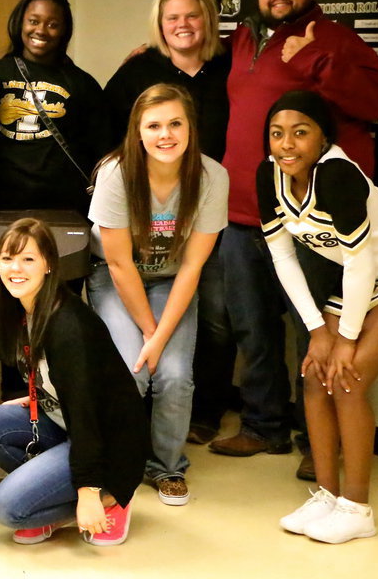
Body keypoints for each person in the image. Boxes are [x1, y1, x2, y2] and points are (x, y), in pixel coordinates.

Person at [210, 0, 378, 477]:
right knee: (253, 329)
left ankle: (321, 441)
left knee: (315, 328)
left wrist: (317, 61)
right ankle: (262, 426)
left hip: (313, 221)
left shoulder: (333, 38)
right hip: (246, 210)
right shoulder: (245, 39)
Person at [259, 91, 378, 543]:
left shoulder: (338, 174)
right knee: (314, 373)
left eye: (300, 133)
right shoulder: (269, 176)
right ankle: (326, 495)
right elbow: (283, 258)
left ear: (324, 137)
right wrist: (314, 332)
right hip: (362, 276)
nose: (287, 145)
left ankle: (357, 507)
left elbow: (361, 261)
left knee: (349, 377)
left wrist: (343, 338)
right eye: (277, 134)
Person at [103, 0, 234, 449]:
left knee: (216, 317)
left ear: (208, 21)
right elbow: (107, 127)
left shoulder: (229, 65)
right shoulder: (140, 70)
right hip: (144, 215)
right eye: (171, 17)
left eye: (192, 16)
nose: (182, 25)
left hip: (208, 207)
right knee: (140, 349)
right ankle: (135, 437)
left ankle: (200, 417)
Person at [86, 83, 228, 506]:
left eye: (175, 124)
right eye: (154, 125)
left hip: (172, 281)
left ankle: (167, 466)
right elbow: (118, 264)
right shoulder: (115, 173)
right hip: (116, 280)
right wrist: (152, 332)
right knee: (134, 371)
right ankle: (117, 464)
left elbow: (192, 266)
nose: (165, 135)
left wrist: (162, 338)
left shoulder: (211, 177)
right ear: (138, 131)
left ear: (190, 128)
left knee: (175, 376)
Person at [0, 218, 147, 546]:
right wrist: (40, 394)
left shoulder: (69, 327)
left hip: (106, 442)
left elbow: (86, 414)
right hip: (64, 424)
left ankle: (110, 497)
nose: (15, 268)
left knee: (6, 509)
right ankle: (49, 497)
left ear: (49, 265)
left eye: (28, 259)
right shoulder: (20, 311)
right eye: (7, 259)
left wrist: (88, 491)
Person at [0, 0, 111, 213]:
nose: (41, 30)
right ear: (20, 23)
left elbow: (103, 150)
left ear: (64, 31)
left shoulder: (82, 84)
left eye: (53, 24)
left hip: (63, 207)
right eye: (33, 21)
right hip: (0, 204)